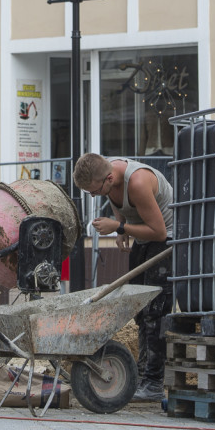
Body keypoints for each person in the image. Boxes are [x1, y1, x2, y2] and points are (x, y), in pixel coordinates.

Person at [73, 153, 173, 403]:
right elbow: (118, 202)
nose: (94, 196)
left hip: (167, 241)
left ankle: (154, 383)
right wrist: (121, 225)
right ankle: (140, 375)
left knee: (155, 312)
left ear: (108, 178)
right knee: (139, 309)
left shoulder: (138, 182)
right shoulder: (107, 174)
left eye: (95, 191)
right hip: (144, 238)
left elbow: (159, 232)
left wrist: (118, 227)